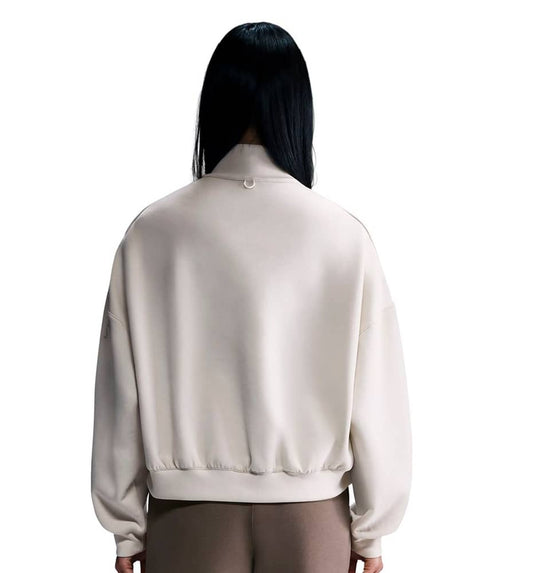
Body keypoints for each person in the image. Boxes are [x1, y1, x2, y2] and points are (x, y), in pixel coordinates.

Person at [90, 21, 412, 573]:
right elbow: (376, 394)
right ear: (297, 110)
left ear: (213, 106)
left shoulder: (152, 233)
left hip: (185, 517)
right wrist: (372, 529)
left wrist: (125, 527)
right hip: (312, 520)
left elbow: (120, 393)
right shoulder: (343, 236)